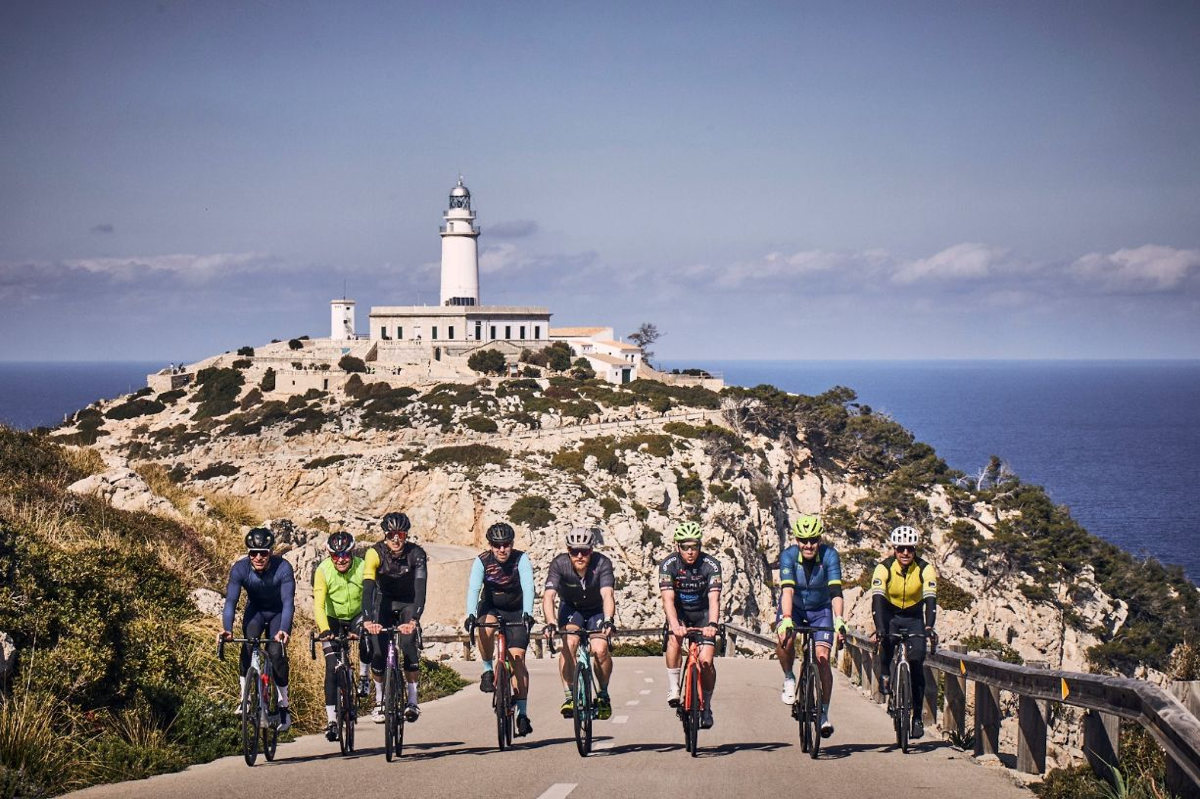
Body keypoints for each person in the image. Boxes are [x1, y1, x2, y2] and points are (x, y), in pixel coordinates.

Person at [776, 514, 847, 737]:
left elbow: (835, 591)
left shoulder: (830, 556)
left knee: (823, 659)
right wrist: (787, 618)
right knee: (785, 639)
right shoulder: (788, 556)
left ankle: (823, 713)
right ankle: (789, 676)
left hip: (820, 610)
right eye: (803, 540)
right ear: (797, 540)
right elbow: (787, 590)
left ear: (819, 540)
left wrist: (839, 619)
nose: (808, 545)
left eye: (813, 540)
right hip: (794, 607)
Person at [464, 522, 536, 736]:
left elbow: (528, 587)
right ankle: (487, 669)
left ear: (512, 544)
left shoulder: (521, 559)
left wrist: (528, 613)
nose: (502, 549)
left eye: (506, 544)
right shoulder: (482, 561)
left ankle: (522, 714)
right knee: (485, 627)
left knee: (518, 659)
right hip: (491, 606)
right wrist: (470, 614)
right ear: (491, 546)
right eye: (497, 545)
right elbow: (474, 588)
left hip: (516, 610)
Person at [221, 526, 296, 730]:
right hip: (255, 611)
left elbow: (288, 603)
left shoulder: (283, 568)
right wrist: (227, 629)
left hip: (278, 613)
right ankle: (244, 698)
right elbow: (231, 602)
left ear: (270, 552)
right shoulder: (240, 569)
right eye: (253, 553)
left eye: (263, 553)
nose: (259, 558)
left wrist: (284, 629)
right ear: (249, 553)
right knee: (248, 644)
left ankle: (283, 706)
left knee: (276, 653)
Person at [870, 524, 938, 740]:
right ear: (894, 549)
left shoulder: (925, 569)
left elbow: (931, 600)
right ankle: (886, 673)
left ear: (915, 549)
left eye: (910, 548)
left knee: (917, 661)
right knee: (887, 641)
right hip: (890, 615)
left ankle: (917, 717)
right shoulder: (883, 568)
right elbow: (877, 599)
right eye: (901, 548)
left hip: (914, 618)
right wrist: (880, 627)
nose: (905, 553)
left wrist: (929, 627)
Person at [542, 527, 617, 720]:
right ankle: (570, 696)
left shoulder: (602, 563)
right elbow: (549, 596)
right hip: (571, 609)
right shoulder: (559, 564)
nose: (580, 556)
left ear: (592, 550)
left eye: (585, 551)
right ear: (568, 551)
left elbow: (607, 594)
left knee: (600, 649)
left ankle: (603, 693)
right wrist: (550, 623)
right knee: (569, 643)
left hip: (596, 609)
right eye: (575, 551)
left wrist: (608, 620)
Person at [362, 512, 428, 724]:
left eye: (401, 534)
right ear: (385, 535)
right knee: (378, 652)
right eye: (391, 535)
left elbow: (420, 590)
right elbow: (368, 589)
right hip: (384, 602)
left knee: (408, 645)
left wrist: (414, 620)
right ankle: (379, 700)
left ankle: (412, 700)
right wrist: (367, 620)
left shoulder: (417, 554)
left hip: (408, 602)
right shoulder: (374, 553)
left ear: (406, 535)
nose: (396, 539)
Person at [658, 521, 722, 729]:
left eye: (694, 546)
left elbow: (714, 599)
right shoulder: (668, 565)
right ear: (677, 546)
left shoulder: (711, 565)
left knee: (706, 662)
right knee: (674, 639)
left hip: (703, 615)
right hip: (680, 613)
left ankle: (707, 706)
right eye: (685, 547)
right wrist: (674, 625)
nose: (690, 551)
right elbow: (667, 600)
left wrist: (712, 624)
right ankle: (674, 687)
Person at [313, 531, 371, 742]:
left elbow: (371, 597)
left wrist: (367, 621)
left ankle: (364, 677)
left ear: (352, 552)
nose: (340, 560)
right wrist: (324, 629)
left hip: (357, 614)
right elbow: (318, 605)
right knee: (331, 668)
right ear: (329, 555)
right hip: (332, 619)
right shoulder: (323, 570)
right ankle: (331, 721)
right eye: (335, 556)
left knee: (367, 637)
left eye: (345, 555)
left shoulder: (362, 567)